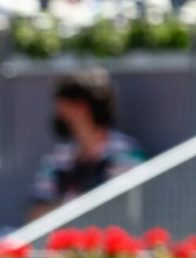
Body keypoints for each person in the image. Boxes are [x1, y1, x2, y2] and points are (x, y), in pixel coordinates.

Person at [28, 68, 144, 221]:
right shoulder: (58, 160)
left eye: (64, 105)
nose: (58, 112)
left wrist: (64, 210)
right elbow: (36, 215)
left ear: (82, 107)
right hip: (61, 244)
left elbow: (120, 213)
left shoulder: (125, 155)